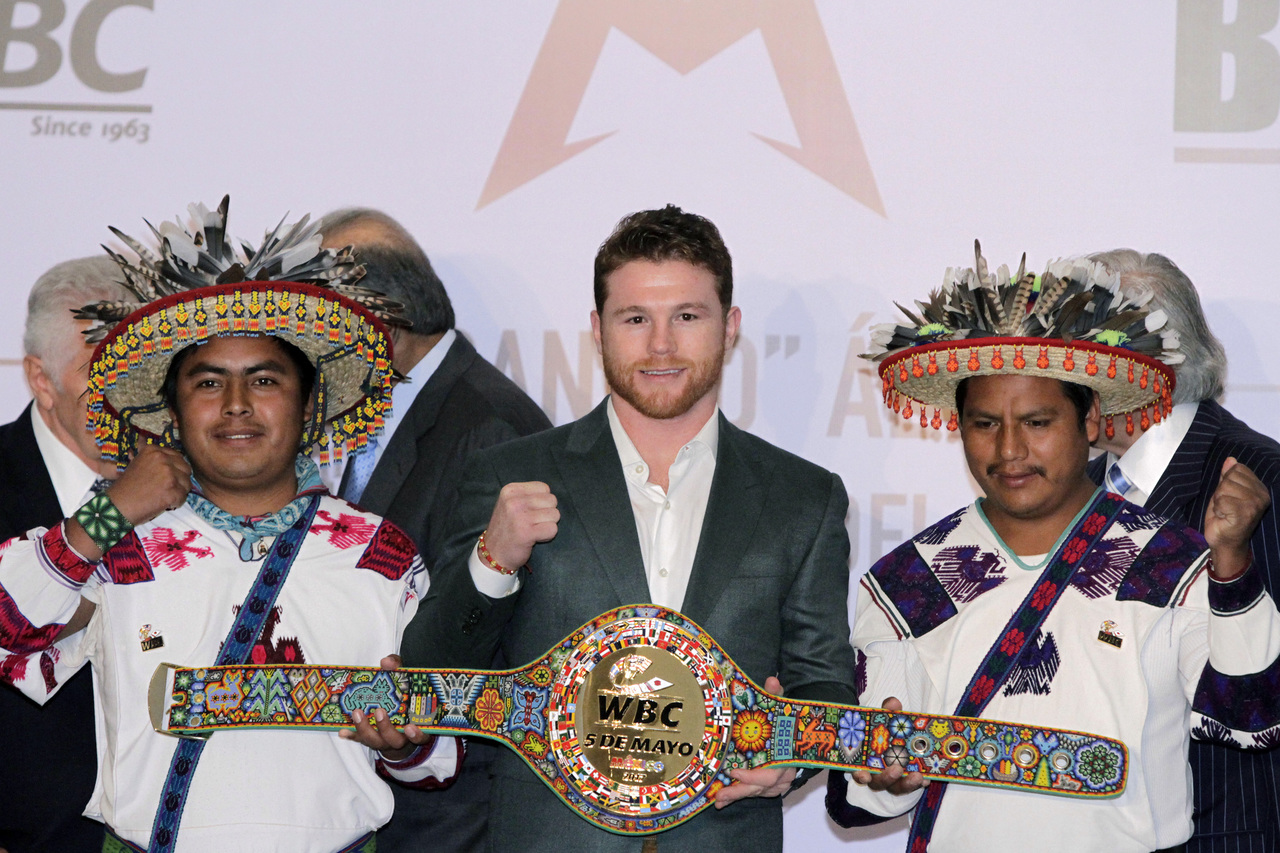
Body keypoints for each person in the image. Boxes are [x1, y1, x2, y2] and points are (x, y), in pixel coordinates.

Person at [0, 200, 459, 853]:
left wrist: (406, 743)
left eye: (264, 379)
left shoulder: (378, 552)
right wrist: (111, 511)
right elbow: (9, 632)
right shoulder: (123, 545)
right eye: (209, 383)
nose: (237, 405)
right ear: (172, 410)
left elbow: (441, 760)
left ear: (309, 404)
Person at [403, 205, 857, 852]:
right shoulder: (509, 476)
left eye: (687, 316)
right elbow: (428, 676)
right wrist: (493, 561)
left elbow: (823, 685)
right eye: (635, 318)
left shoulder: (804, 497)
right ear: (598, 330)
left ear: (730, 327)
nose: (661, 344)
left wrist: (791, 756)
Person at [828, 247, 1280, 852]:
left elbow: (1250, 717)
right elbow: (858, 795)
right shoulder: (909, 578)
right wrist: (880, 774)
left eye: (1037, 422)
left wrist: (1232, 567)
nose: (1009, 450)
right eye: (985, 424)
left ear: (1090, 420)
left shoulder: (1171, 560)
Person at [312, 210, 550, 852]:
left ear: (378, 321)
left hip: (454, 817)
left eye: (319, 323)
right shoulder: (363, 408)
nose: (304, 348)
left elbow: (483, 638)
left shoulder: (493, 425)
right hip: (374, 792)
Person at [1086, 249, 1280, 852]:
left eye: (1076, 352)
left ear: (1149, 364)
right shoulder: (1076, 489)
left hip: (1224, 835)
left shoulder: (1264, 479)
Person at [0, 257, 131, 853]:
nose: (127, 391)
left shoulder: (200, 483)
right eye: (101, 367)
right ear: (41, 378)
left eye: (140, 363)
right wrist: (118, 508)